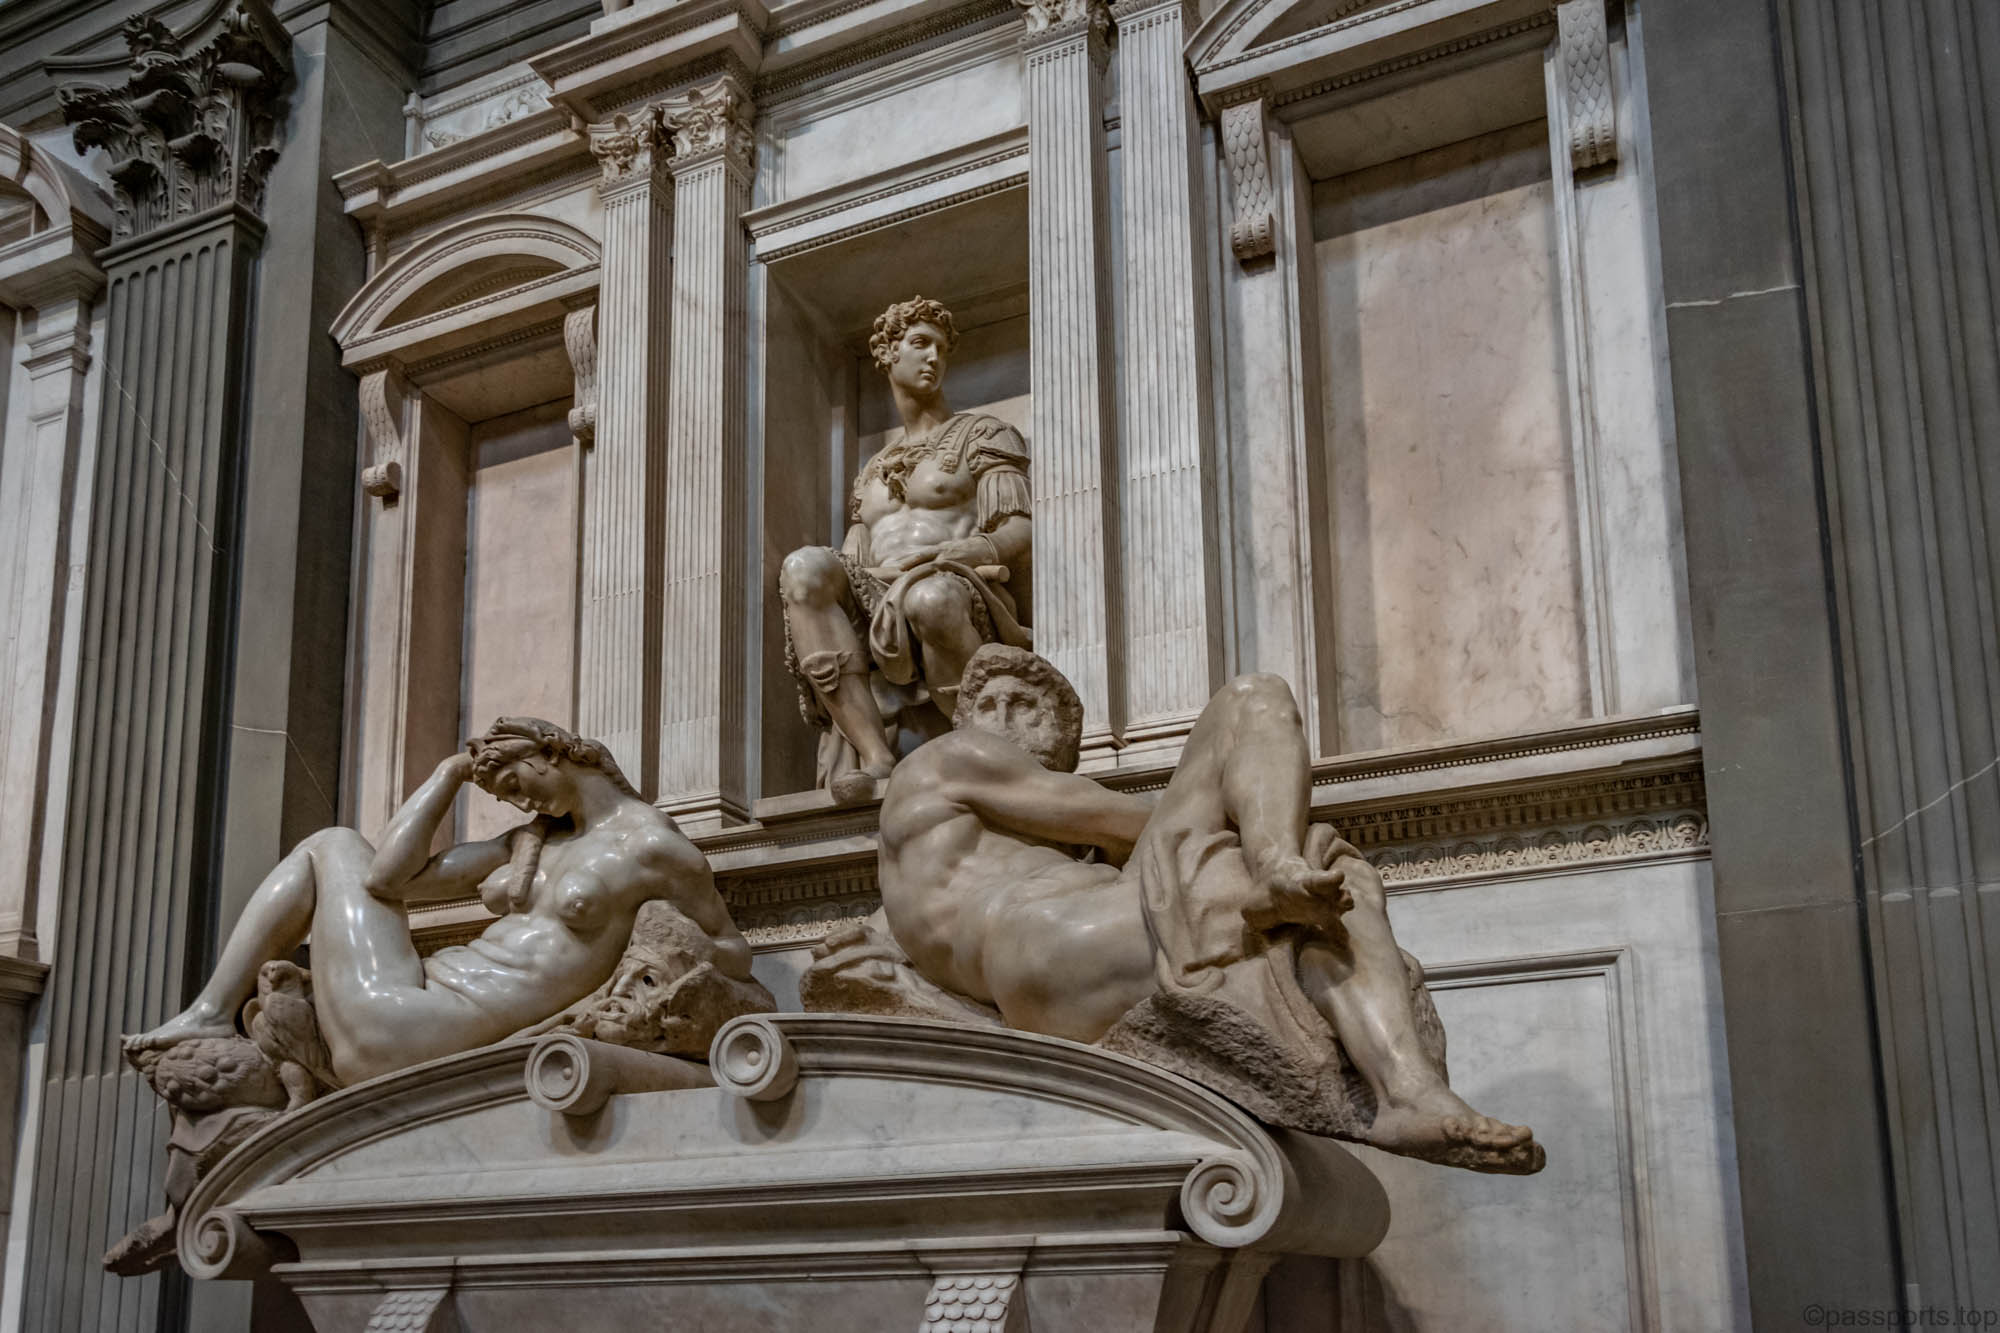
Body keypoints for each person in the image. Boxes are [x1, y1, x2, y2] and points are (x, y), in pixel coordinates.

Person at [869, 644, 1541, 1173]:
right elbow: (1119, 818)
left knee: (1326, 887)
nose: (1004, 721)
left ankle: (1408, 1094)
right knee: (1252, 698)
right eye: (988, 704)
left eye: (1027, 707)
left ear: (1067, 744)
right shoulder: (947, 759)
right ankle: (1277, 867)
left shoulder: (996, 848)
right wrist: (1244, 814)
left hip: (1076, 961)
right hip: (1053, 937)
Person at [130, 718, 752, 1086]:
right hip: (405, 1004)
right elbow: (388, 878)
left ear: (549, 751)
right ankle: (211, 1010)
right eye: (506, 797)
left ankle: (212, 1012)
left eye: (516, 783)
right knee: (333, 844)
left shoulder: (652, 846)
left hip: (416, 1029)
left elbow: (731, 950)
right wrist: (450, 774)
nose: (522, 803)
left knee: (331, 844)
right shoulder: (531, 842)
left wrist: (636, 980)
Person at [780, 296, 1032, 803]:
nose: (934, 357)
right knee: (803, 568)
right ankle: (875, 754)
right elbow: (852, 560)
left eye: (941, 349)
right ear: (887, 354)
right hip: (879, 591)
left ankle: (975, 750)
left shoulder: (983, 434)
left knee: (929, 599)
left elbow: (1018, 531)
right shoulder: (873, 469)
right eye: (920, 344)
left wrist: (956, 554)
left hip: (958, 582)